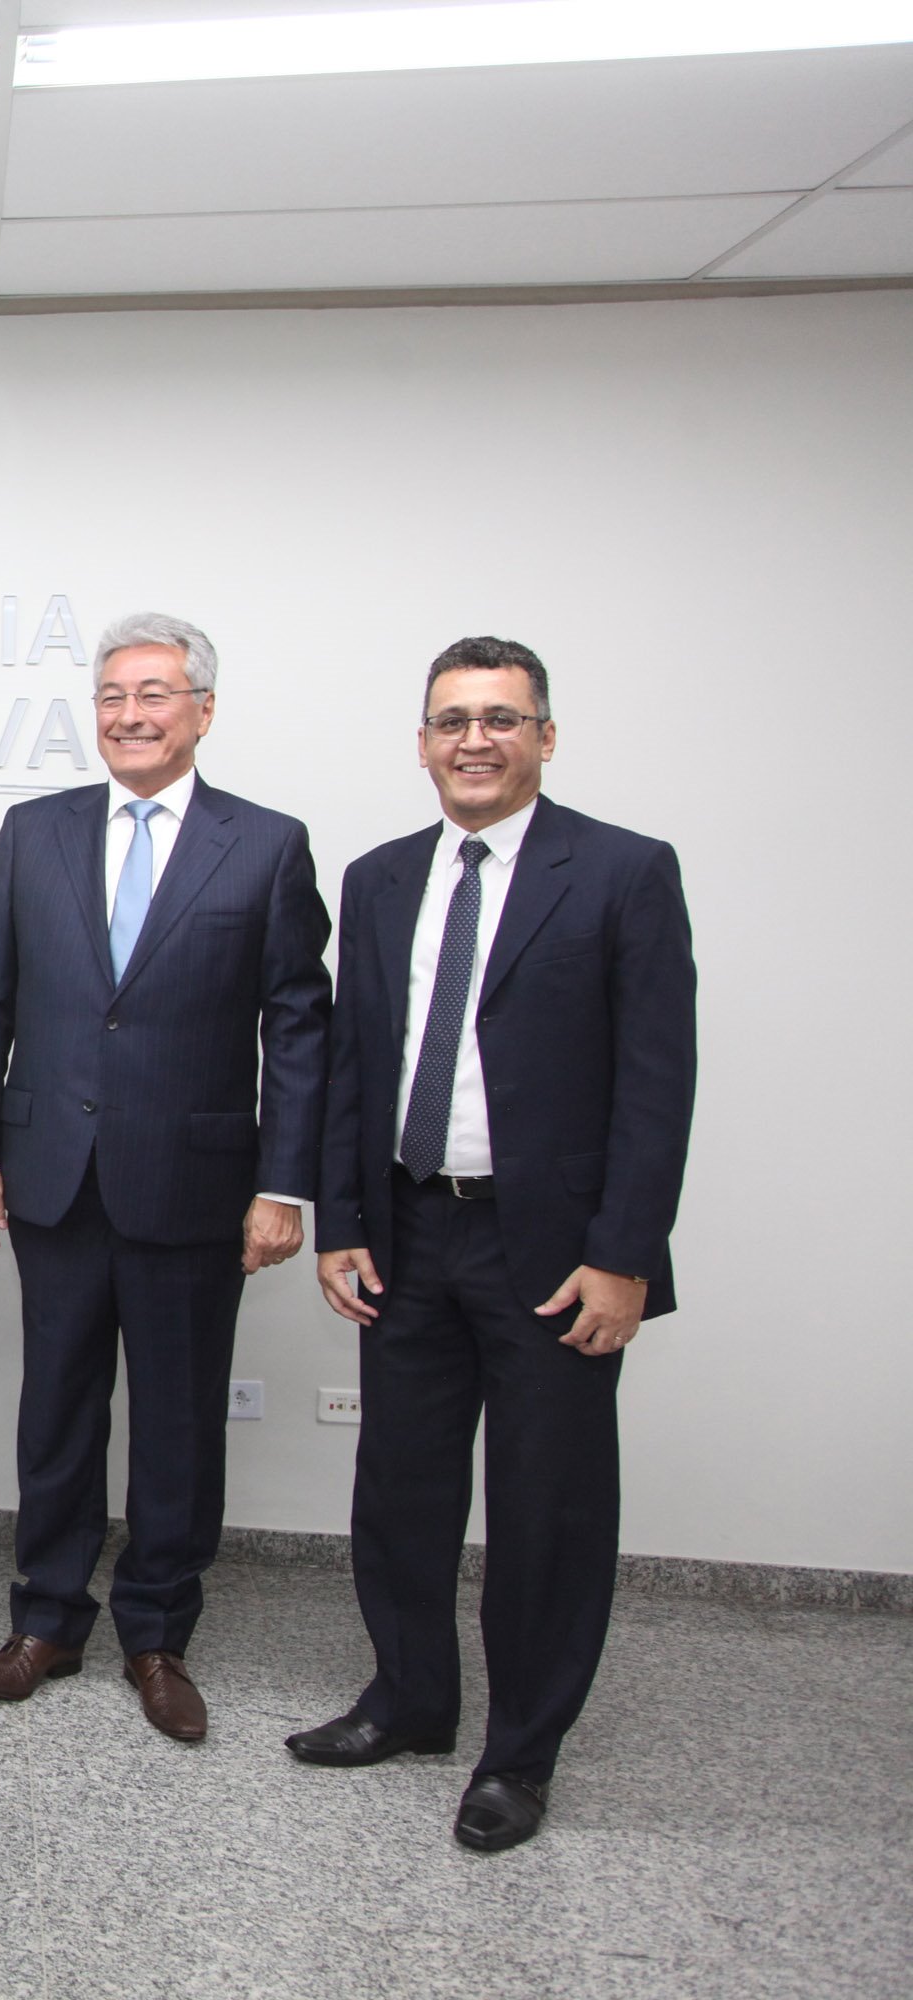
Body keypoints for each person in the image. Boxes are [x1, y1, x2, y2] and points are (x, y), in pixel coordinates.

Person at [292, 637, 694, 1855]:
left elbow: (657, 1080)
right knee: (400, 1487)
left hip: (558, 1251)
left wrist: (625, 1254)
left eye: (501, 718)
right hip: (408, 1230)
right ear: (423, 742)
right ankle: (411, 1699)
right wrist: (341, 1221)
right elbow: (353, 1061)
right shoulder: (378, 878)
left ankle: (520, 1752)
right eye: (453, 719)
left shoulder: (623, 871)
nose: (475, 738)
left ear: (545, 737)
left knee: (546, 1507)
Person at [0, 612, 330, 1741]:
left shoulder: (266, 844)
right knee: (56, 1411)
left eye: (154, 694)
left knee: (178, 1421)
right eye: (113, 695)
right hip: (54, 1177)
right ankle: (47, 1619)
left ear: (202, 711)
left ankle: (158, 1633)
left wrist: (285, 1184)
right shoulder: (36, 831)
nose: (129, 714)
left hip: (194, 1184)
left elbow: (297, 1026)